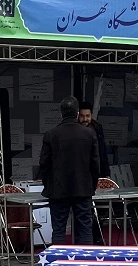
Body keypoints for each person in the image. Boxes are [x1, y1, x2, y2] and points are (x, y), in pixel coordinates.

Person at [39, 95, 99, 246]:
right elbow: (95, 164)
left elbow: (44, 164)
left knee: (59, 229)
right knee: (85, 229)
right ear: (77, 113)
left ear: (61, 113)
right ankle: (85, 259)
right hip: (83, 188)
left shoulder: (51, 134)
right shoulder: (89, 134)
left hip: (58, 189)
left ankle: (58, 259)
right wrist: (92, 185)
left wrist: (48, 184)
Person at [78, 102, 109, 176]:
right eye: (82, 116)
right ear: (78, 115)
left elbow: (103, 153)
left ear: (91, 115)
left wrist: (106, 173)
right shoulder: (73, 130)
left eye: (87, 116)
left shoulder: (97, 129)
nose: (85, 119)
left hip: (95, 173)